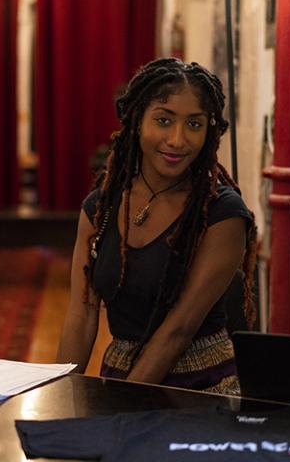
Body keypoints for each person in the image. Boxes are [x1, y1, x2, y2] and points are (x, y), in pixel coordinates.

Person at [56, 58, 257, 395]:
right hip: (119, 375)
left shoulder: (222, 212)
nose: (177, 139)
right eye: (163, 120)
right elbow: (82, 311)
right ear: (136, 122)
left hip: (202, 390)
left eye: (194, 124)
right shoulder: (102, 206)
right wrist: (57, 396)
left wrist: (124, 405)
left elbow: (179, 328)